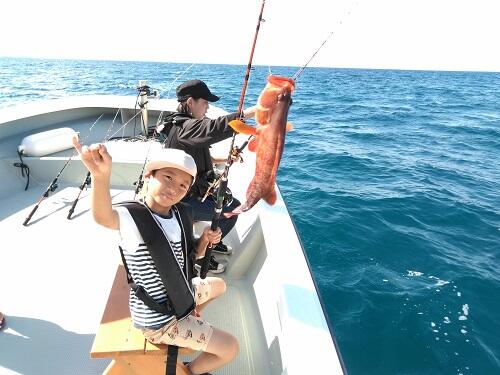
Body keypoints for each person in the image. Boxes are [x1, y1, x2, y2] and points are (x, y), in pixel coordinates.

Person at [73, 138, 239, 375]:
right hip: (159, 320)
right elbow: (104, 216)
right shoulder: (132, 218)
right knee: (230, 348)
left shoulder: (178, 214)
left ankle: (189, 313)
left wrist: (204, 240)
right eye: (168, 177)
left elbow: (190, 258)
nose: (174, 188)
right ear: (149, 176)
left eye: (183, 185)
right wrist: (100, 177)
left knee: (220, 285)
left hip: (180, 295)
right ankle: (189, 371)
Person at [160, 79, 256, 274]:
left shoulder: (186, 127)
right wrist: (252, 111)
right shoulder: (186, 128)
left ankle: (213, 241)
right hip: (181, 202)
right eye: (205, 102)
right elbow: (213, 128)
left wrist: (228, 157)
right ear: (190, 103)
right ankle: (202, 256)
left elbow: (205, 156)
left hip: (189, 192)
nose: (208, 107)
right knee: (232, 211)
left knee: (228, 203)